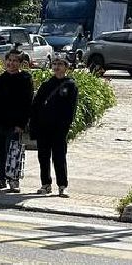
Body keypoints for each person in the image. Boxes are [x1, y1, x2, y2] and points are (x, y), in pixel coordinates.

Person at [0, 48, 33, 192]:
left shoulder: (25, 79)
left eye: (15, 61)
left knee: (13, 152)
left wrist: (21, 124)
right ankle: (0, 178)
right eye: (9, 60)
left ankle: (13, 180)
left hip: (15, 124)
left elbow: (27, 103)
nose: (11, 63)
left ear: (20, 63)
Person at [30, 54, 77, 196]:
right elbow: (36, 105)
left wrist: (65, 126)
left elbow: (71, 109)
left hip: (59, 128)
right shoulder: (46, 84)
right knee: (43, 157)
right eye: (54, 64)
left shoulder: (70, 85)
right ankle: (45, 184)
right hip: (44, 127)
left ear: (66, 67)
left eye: (60, 64)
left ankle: (62, 185)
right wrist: (34, 124)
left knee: (59, 157)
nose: (56, 67)